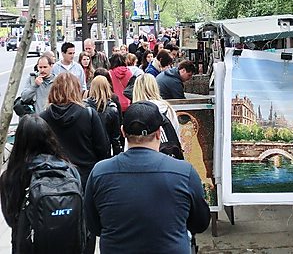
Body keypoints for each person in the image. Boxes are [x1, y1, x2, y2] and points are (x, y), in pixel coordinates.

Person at [84, 101, 210, 253]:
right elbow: (200, 223)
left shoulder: (100, 172)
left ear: (123, 132)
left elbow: (93, 225)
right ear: (158, 133)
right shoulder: (184, 172)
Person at [0, 114, 78, 253]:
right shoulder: (69, 170)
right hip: (67, 244)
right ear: (50, 138)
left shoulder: (11, 176)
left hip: (28, 246)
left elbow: (11, 219)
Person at [40, 72, 109, 188]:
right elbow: (102, 148)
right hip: (86, 177)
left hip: (54, 179)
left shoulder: (43, 118)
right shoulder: (89, 115)